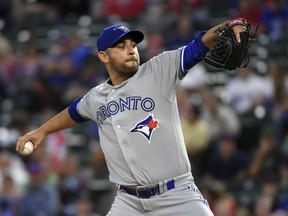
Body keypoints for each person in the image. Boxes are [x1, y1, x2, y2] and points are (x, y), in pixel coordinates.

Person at [16, 20, 247, 215]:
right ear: (103, 56)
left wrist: (228, 25)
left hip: (176, 194)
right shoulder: (96, 97)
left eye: (133, 44)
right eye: (121, 46)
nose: (130, 49)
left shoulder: (158, 71)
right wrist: (41, 131)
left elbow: (197, 47)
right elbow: (74, 112)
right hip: (128, 201)